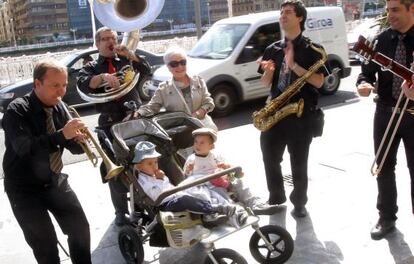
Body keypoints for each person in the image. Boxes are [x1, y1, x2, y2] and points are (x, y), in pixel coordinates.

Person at [2, 59, 91, 263]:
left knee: (80, 229)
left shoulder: (60, 108)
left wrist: (80, 140)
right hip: (24, 189)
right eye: (55, 85)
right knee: (45, 246)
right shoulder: (17, 110)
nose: (61, 92)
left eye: (64, 85)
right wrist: (62, 135)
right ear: (37, 84)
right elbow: (25, 148)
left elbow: (73, 148)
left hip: (54, 180)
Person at [257, 0, 327, 218]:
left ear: (300, 18)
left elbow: (319, 82)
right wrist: (268, 71)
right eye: (281, 13)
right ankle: (276, 197)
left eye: (288, 12)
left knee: (298, 162)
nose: (282, 16)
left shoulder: (313, 49)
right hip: (275, 111)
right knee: (269, 157)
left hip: (300, 114)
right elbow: (266, 83)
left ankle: (299, 202)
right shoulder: (272, 48)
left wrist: (294, 64)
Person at [77, 27, 151, 226]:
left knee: (142, 163)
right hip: (110, 122)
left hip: (134, 117)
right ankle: (120, 211)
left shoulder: (126, 59)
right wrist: (102, 78)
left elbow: (147, 70)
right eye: (105, 39)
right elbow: (83, 83)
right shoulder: (91, 66)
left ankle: (142, 205)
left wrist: (132, 55)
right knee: (116, 169)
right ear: (97, 43)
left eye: (113, 37)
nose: (110, 41)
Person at [356, 0, 414, 240]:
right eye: (388, 10)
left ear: (412, 9)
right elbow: (365, 73)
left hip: (413, 114)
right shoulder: (379, 41)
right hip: (385, 112)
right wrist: (363, 84)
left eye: (395, 10)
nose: (390, 15)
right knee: (383, 166)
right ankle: (386, 217)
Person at [132, 141, 242, 221]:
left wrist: (163, 178)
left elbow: (168, 186)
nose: (155, 166)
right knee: (185, 200)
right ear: (139, 167)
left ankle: (213, 210)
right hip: (165, 204)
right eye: (150, 164)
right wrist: (161, 180)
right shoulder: (143, 181)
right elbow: (157, 196)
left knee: (194, 185)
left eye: (155, 162)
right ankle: (216, 209)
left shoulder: (154, 174)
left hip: (174, 194)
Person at [183, 128, 281, 215]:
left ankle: (254, 203)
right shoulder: (192, 159)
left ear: (211, 146)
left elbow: (227, 168)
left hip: (220, 178)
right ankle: (234, 210)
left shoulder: (216, 156)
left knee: (239, 182)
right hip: (205, 182)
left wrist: (225, 167)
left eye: (202, 143)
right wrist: (188, 169)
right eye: (196, 142)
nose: (197, 145)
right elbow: (187, 176)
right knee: (218, 192)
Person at [135, 46, 218, 131]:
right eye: (174, 64)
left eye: (183, 62)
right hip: (181, 129)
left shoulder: (198, 81)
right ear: (168, 67)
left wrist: (198, 114)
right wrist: (138, 113)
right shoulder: (163, 88)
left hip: (203, 126)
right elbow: (152, 107)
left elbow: (209, 103)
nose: (180, 67)